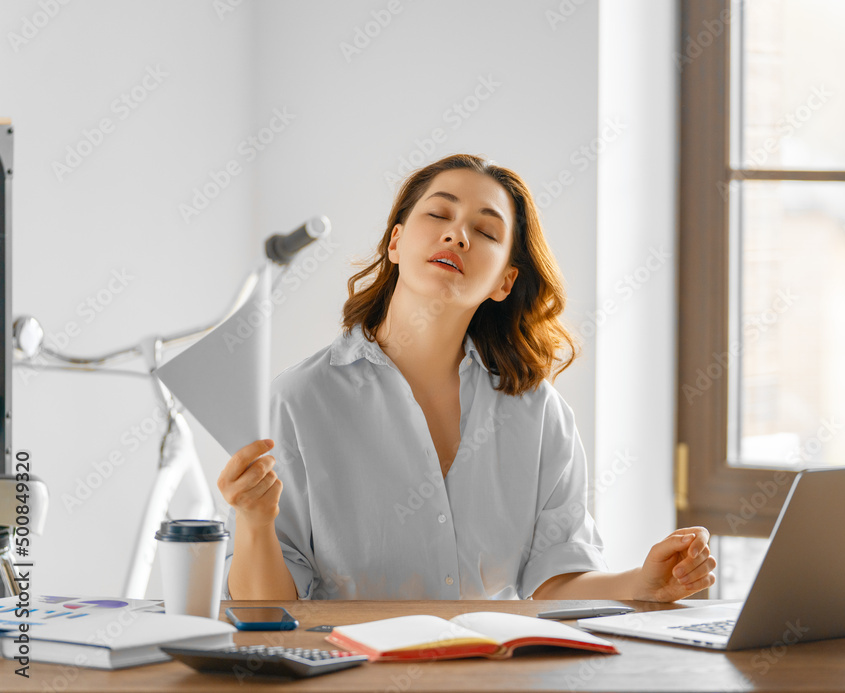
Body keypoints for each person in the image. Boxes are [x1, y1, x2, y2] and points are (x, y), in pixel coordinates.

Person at [218, 153, 716, 601]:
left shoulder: (538, 411)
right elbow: (267, 611)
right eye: (438, 214)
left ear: (505, 280)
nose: (457, 234)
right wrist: (255, 524)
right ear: (395, 242)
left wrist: (642, 584)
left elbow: (555, 578)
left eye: (486, 231)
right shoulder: (299, 400)